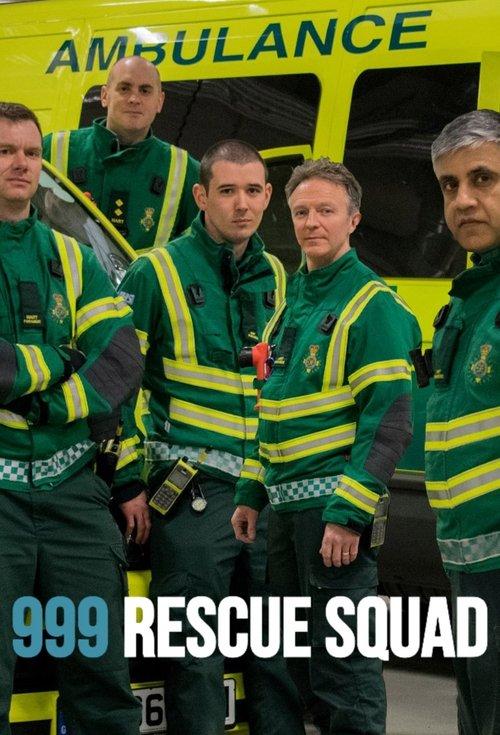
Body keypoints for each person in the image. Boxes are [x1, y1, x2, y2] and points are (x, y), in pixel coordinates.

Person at [118, 139, 305, 735]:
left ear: (268, 196)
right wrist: (128, 480)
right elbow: (117, 387)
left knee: (277, 654)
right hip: (191, 489)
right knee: (195, 657)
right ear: (201, 196)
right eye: (227, 191)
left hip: (264, 489)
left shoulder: (278, 274)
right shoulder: (155, 272)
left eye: (252, 191)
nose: (241, 205)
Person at [232, 157, 422, 734]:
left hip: (331, 513)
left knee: (344, 668)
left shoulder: (373, 306)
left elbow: (388, 423)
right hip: (286, 514)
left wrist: (348, 514)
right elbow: (271, 415)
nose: (312, 222)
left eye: (326, 211)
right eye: (301, 212)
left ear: (354, 220)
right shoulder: (290, 310)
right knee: (297, 666)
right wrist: (251, 492)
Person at [0, 101, 148, 734]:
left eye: (31, 152)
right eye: (5, 151)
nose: (21, 163)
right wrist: (61, 360)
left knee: (100, 677)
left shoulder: (73, 256)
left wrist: (50, 400)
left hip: (73, 497)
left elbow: (120, 359)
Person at [424, 109, 500, 735]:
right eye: (450, 185)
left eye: (483, 179)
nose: (464, 200)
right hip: (468, 555)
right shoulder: (472, 298)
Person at [43, 55, 199, 253]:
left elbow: (201, 247)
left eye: (145, 90)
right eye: (124, 88)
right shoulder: (53, 148)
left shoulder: (185, 170)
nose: (134, 99)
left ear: (159, 101)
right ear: (104, 96)